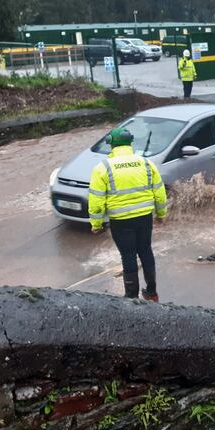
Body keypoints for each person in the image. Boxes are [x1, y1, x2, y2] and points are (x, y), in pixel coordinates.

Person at [88, 127, 167, 301]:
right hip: (145, 217)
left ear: (112, 144)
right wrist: (161, 213)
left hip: (121, 221)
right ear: (130, 143)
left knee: (128, 255)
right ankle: (152, 292)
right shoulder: (146, 163)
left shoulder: (103, 168)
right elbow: (159, 192)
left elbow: (96, 201)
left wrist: (96, 224)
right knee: (145, 250)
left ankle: (131, 296)